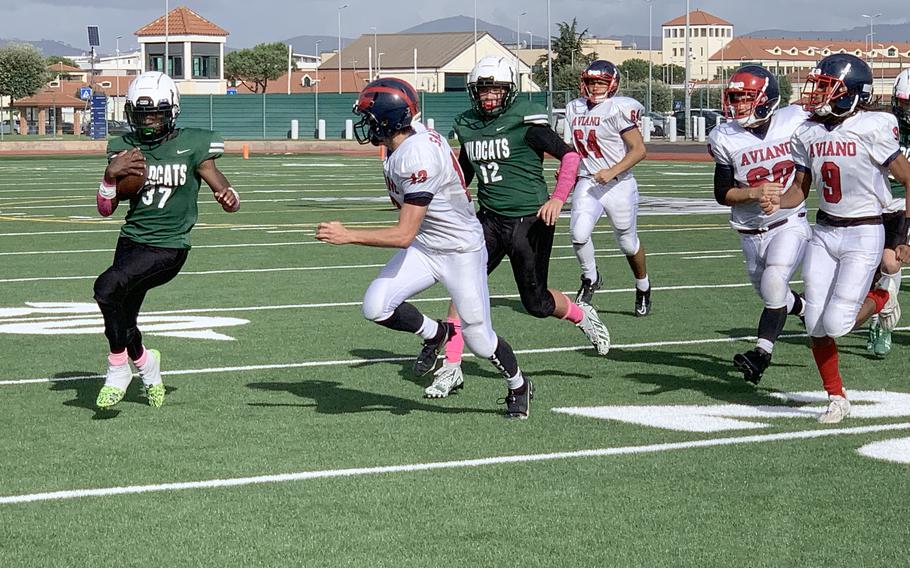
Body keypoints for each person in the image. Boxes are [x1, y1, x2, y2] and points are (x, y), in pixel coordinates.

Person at [315, 78, 534, 419]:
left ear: (389, 119)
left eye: (371, 117)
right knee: (376, 306)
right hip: (426, 244)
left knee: (479, 341)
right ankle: (437, 333)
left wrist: (348, 235)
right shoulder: (400, 140)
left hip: (459, 250)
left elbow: (403, 233)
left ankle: (519, 385)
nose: (366, 124)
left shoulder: (417, 153)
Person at [416, 56, 609, 399]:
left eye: (496, 90)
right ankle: (451, 366)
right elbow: (464, 175)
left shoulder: (525, 119)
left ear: (509, 92)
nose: (489, 97)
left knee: (536, 304)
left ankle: (581, 314)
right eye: (484, 90)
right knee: (462, 286)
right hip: (488, 219)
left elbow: (569, 156)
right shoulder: (467, 123)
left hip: (530, 219)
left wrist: (557, 199)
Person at [762, 54, 910, 423]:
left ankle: (881, 297)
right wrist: (778, 199)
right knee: (815, 323)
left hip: (864, 230)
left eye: (828, 87)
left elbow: (908, 178)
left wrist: (905, 235)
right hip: (825, 231)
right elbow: (799, 190)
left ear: (852, 94)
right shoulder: (807, 132)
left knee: (838, 323)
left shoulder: (875, 126)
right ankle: (836, 397)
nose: (818, 94)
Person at [94, 71, 240, 409]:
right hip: (131, 241)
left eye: (156, 115)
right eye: (141, 115)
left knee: (105, 288)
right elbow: (105, 209)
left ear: (171, 111)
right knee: (123, 315)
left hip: (169, 246)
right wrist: (109, 176)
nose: (148, 123)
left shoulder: (194, 144)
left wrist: (229, 196)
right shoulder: (124, 148)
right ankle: (147, 364)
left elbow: (224, 189)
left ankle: (118, 369)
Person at [707, 65, 811, 385]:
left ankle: (760, 354)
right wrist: (754, 192)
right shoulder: (724, 137)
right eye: (734, 97)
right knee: (771, 292)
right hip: (750, 231)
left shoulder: (794, 120)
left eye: (744, 97)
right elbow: (722, 193)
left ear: (766, 99)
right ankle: (807, 308)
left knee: (775, 281)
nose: (736, 104)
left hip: (789, 221)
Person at [563, 60, 652, 316]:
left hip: (619, 184)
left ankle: (643, 286)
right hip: (589, 181)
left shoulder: (618, 109)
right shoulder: (574, 107)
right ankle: (590, 278)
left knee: (627, 243)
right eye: (591, 81)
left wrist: (612, 171)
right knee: (579, 234)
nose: (595, 87)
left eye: (601, 82)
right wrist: (569, 166)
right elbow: (575, 148)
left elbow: (639, 150)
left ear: (612, 84)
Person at [867, 68, 910, 357]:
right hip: (875, 205)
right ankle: (879, 311)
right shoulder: (882, 126)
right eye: (906, 103)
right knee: (868, 269)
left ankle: (882, 325)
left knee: (892, 264)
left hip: (904, 206)